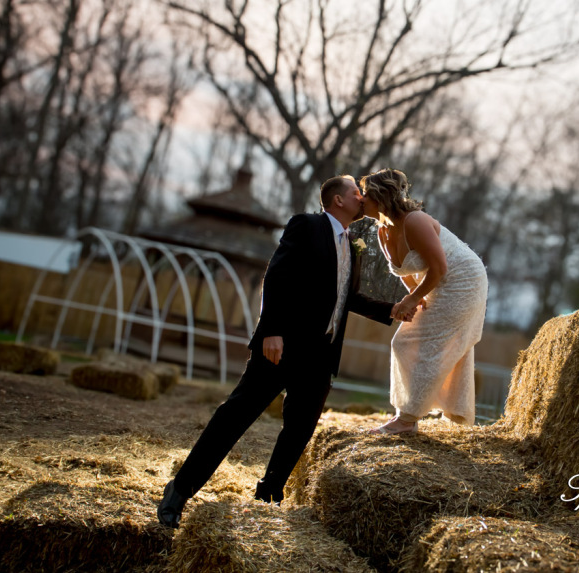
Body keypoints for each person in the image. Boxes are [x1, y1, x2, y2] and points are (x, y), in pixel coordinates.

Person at [158, 175, 398, 528]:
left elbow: (349, 298)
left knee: (300, 430)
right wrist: (271, 330)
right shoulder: (307, 225)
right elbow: (277, 275)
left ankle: (268, 496)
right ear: (337, 200)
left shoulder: (352, 243)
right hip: (282, 346)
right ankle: (180, 490)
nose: (362, 198)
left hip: (321, 356)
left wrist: (393, 310)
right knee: (235, 417)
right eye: (355, 192)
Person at [360, 168, 489, 435]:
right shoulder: (383, 231)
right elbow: (405, 272)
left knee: (409, 342)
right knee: (409, 342)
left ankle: (407, 420)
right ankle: (421, 415)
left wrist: (412, 298)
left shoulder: (414, 221)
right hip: (438, 282)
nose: (361, 199)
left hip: (463, 281)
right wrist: (415, 299)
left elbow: (439, 267)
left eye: (365, 194)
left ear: (381, 197)